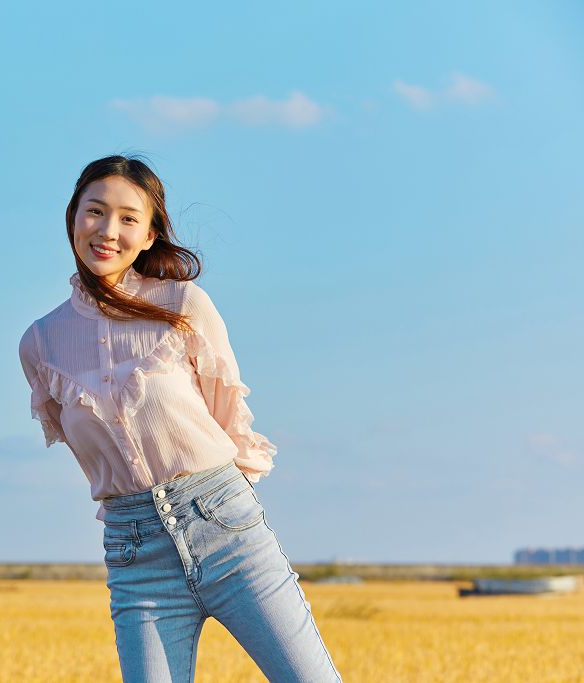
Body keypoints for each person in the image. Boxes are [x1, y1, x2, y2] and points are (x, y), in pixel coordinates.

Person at [17, 154, 344, 682]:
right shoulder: (41, 343)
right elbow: (90, 456)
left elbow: (230, 420)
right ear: (73, 217)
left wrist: (215, 507)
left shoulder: (183, 303)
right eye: (95, 211)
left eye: (128, 218)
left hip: (227, 530)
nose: (108, 230)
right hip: (134, 553)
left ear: (150, 235)